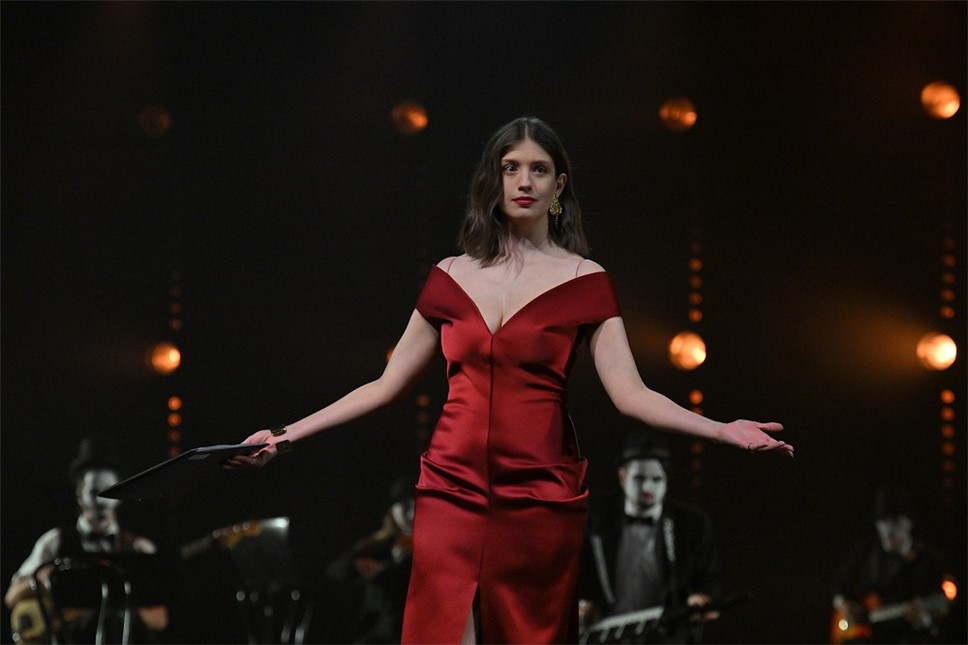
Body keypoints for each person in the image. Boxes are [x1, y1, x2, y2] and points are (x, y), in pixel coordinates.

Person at [227, 115, 793, 644]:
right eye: (511, 167)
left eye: (539, 169)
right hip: (451, 488)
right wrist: (284, 436)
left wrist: (721, 429)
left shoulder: (585, 280)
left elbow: (632, 395)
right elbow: (385, 385)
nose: (524, 181)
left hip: (538, 495)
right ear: (492, 179)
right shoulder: (451, 275)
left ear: (559, 185)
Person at [4, 435, 169, 644]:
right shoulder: (55, 541)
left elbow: (160, 619)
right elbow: (11, 597)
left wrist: (121, 605)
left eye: (109, 492)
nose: (101, 502)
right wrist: (41, 579)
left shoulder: (138, 548)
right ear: (80, 493)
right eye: (93, 492)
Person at [578, 432, 723, 644]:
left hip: (664, 637)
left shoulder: (691, 523)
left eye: (656, 479)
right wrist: (584, 602)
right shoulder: (595, 515)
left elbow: (710, 579)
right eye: (639, 478)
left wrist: (702, 598)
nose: (647, 487)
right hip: (605, 635)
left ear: (667, 480)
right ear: (622, 477)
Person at [830, 487, 955, 644]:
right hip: (866, 637)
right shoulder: (866, 552)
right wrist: (844, 604)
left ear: (909, 524)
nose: (888, 530)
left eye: (895, 523)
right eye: (882, 522)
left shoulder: (928, 561)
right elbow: (839, 582)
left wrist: (925, 622)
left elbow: (943, 624)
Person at [326, 476, 416, 643]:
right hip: (373, 636)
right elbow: (335, 570)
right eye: (405, 506)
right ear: (392, 509)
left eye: (417, 506)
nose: (411, 514)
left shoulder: (434, 551)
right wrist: (356, 565)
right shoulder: (377, 545)